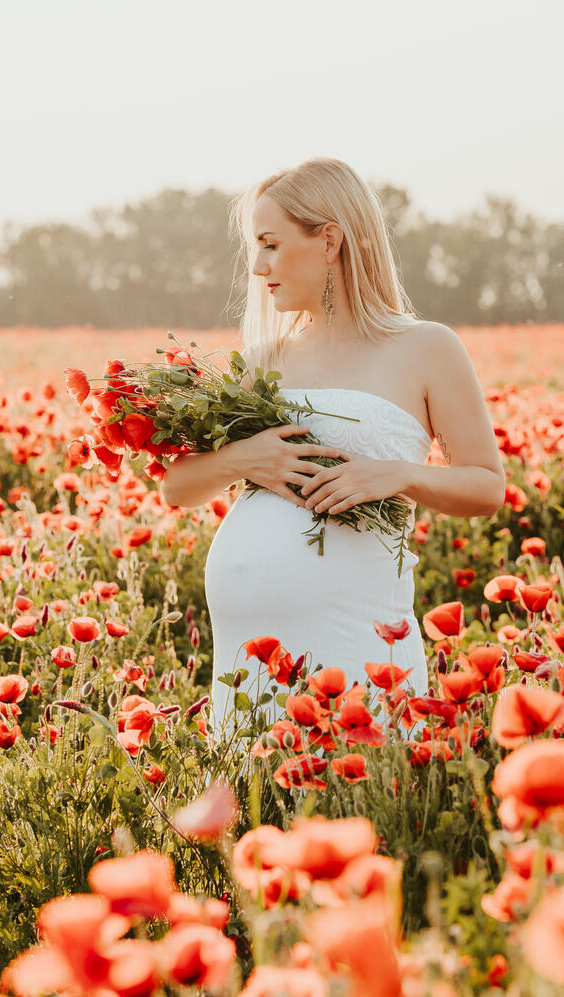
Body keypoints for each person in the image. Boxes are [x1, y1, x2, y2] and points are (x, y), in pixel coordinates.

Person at [161, 157, 505, 745]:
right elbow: (177, 487)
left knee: (349, 797)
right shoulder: (266, 358)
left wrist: (395, 475)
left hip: (359, 636)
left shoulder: (425, 347)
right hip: (246, 662)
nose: (257, 265)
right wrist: (245, 460)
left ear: (330, 241)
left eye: (270, 244)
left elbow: (486, 486)